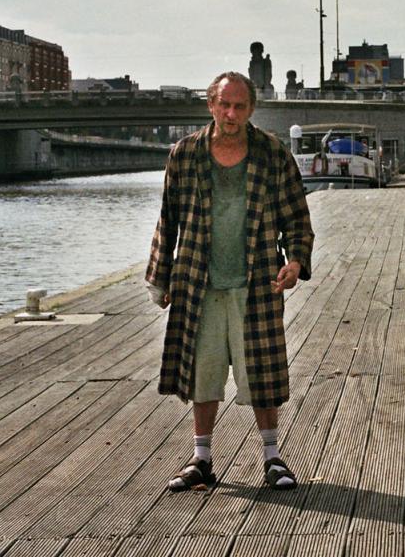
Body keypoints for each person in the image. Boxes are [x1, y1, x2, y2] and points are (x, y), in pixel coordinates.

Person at [147, 71, 313, 493]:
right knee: (203, 374)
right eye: (224, 104)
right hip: (197, 283)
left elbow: (296, 217)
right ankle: (201, 460)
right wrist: (159, 276)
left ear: (251, 108)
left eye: (240, 106)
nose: (231, 113)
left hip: (256, 283)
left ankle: (273, 458)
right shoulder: (183, 155)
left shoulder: (272, 154)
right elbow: (168, 220)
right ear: (211, 105)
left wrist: (295, 261)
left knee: (261, 371)